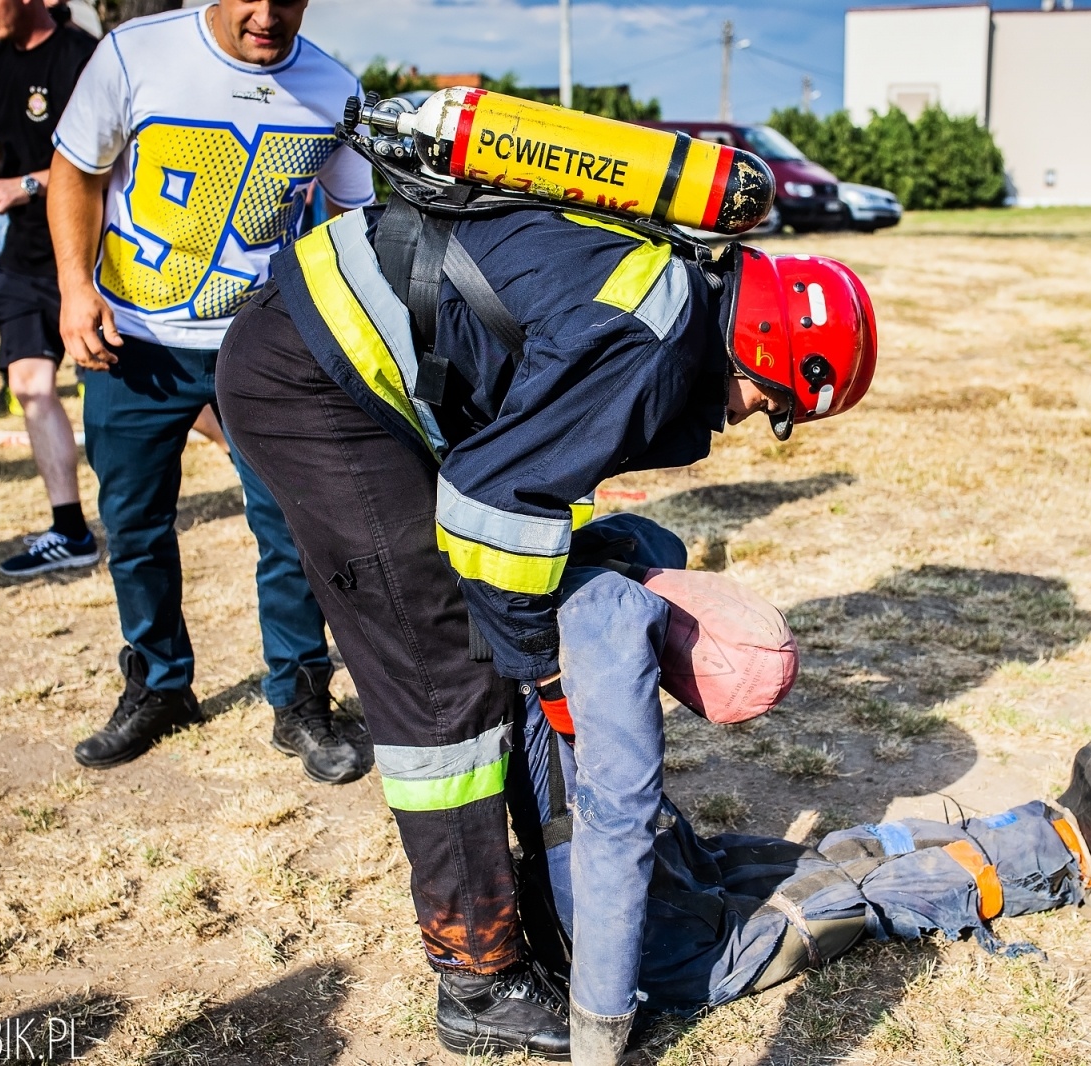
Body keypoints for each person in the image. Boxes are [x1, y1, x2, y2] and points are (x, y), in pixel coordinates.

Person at [214, 159, 877, 1054]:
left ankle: (517, 894)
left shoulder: (673, 290)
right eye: (777, 402)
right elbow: (493, 505)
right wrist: (548, 666)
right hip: (314, 384)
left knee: (478, 643)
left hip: (334, 343)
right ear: (763, 346)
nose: (753, 417)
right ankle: (477, 981)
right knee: (442, 687)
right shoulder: (654, 342)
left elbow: (530, 457)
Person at [511, 511, 1091, 1063]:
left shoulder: (528, 591)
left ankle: (1025, 833)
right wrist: (602, 1021)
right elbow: (615, 827)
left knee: (814, 858)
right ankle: (1062, 856)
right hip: (641, 934)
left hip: (633, 868)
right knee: (837, 898)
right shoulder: (602, 623)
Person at [47, 0, 376, 783]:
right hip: (134, 344)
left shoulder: (334, 89)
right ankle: (159, 687)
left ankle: (299, 701)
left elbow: (356, 212)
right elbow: (77, 171)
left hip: (265, 350)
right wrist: (72, 287)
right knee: (133, 524)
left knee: (291, 528)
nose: (268, 15)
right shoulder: (135, 53)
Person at [0, 0, 99, 578]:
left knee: (174, 402)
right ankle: (70, 531)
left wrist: (27, 185)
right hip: (22, 258)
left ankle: (266, 491)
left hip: (91, 255)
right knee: (30, 384)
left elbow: (110, 159)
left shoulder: (83, 57)